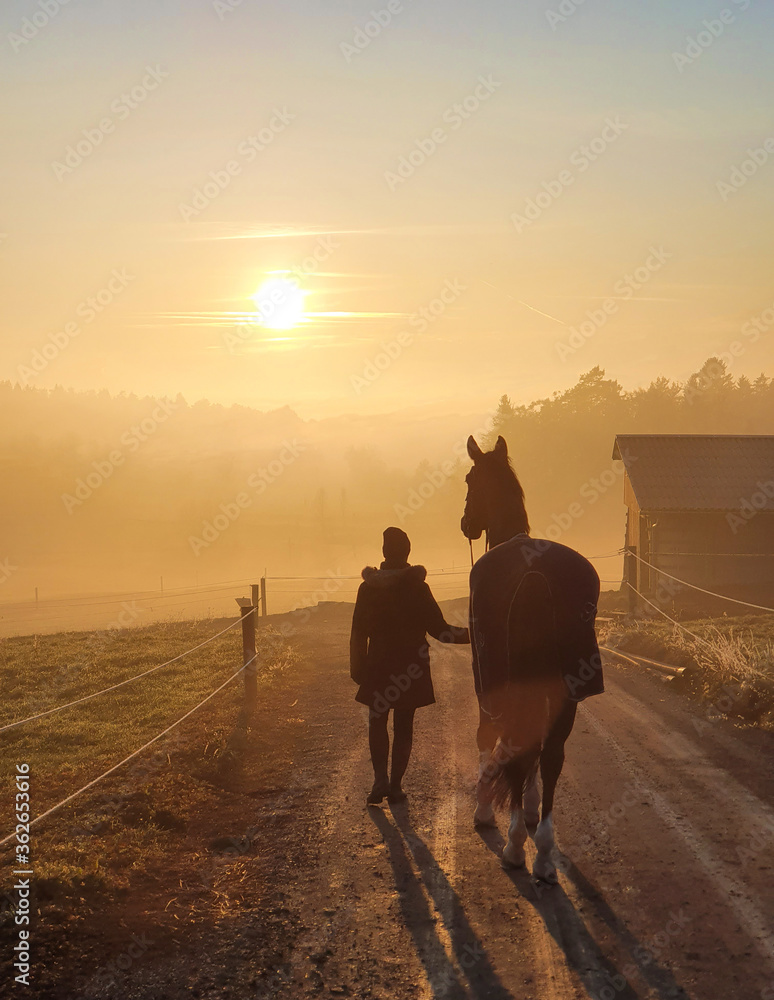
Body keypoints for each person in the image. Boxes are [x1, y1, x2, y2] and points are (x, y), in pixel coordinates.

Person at [350, 527, 470, 804]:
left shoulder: (368, 588)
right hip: (411, 664)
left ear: (383, 553)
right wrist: (475, 635)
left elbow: (358, 632)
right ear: (407, 553)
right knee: (404, 725)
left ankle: (379, 779)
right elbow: (440, 630)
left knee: (376, 720)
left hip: (378, 663)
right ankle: (396, 785)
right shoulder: (418, 587)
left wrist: (358, 667)